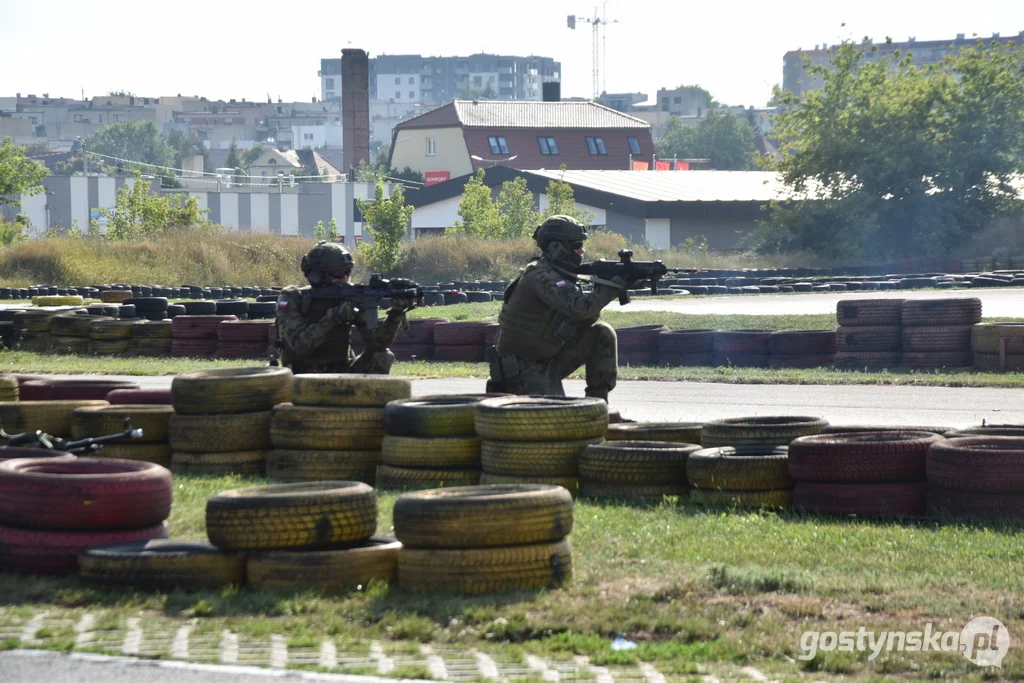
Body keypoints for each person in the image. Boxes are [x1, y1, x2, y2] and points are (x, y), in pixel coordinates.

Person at [486, 215, 644, 402]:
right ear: (557, 248)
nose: (582, 250)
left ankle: (598, 403)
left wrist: (620, 282)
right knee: (554, 422)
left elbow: (586, 319)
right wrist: (614, 285)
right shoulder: (541, 276)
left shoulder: (559, 274)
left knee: (602, 332)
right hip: (523, 369)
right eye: (577, 245)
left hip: (548, 360)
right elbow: (580, 308)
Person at [275, 241, 416, 374]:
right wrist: (334, 317)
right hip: (301, 374)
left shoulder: (350, 298)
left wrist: (394, 316)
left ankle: (369, 399)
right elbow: (300, 346)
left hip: (341, 370)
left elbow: (377, 344)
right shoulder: (294, 298)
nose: (344, 278)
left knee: (382, 356)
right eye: (337, 273)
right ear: (317, 275)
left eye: (347, 272)